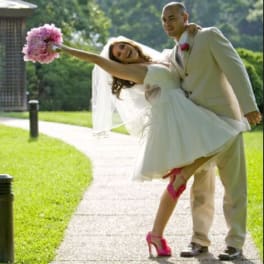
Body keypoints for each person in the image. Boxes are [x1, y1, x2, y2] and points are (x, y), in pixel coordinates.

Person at [48, 35, 250, 258]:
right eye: (119, 55)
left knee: (187, 175)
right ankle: (176, 237)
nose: (124, 52)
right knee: (203, 160)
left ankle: (158, 235)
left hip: (192, 119)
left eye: (123, 47)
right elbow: (98, 60)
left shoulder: (159, 58)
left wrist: (192, 32)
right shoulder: (134, 72)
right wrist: (63, 48)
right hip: (180, 126)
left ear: (131, 44)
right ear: (120, 64)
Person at [160, 2, 262, 261]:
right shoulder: (173, 53)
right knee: (200, 188)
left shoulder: (209, 35)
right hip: (200, 129)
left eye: (172, 18)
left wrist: (248, 106)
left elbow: (235, 68)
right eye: (164, 20)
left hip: (226, 122)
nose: (167, 23)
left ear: (186, 17)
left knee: (234, 186)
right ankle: (199, 241)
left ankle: (235, 243)